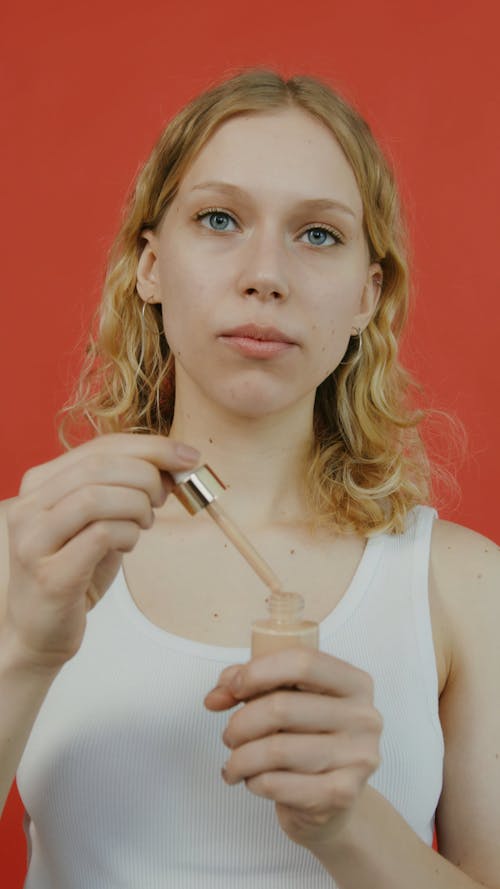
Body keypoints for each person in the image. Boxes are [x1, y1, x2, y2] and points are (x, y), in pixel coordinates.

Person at [0, 68, 498, 889]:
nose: (266, 273)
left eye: (318, 235)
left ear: (367, 297)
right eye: (220, 219)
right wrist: (25, 650)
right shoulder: (31, 551)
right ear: (150, 268)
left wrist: (346, 823)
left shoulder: (463, 584)